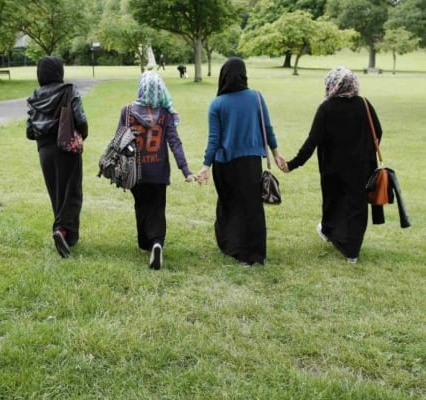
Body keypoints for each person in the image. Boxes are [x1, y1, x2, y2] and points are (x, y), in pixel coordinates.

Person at [280, 66, 382, 263]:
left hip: (333, 168)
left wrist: (292, 165)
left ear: (332, 85)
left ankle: (331, 233)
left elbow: (312, 141)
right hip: (362, 167)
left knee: (334, 202)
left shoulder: (326, 108)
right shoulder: (364, 104)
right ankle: (351, 249)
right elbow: (378, 132)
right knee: (357, 207)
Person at [194, 57, 286, 267]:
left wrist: (205, 166)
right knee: (252, 207)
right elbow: (268, 129)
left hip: (225, 164)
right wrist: (276, 153)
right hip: (251, 162)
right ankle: (255, 254)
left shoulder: (217, 104)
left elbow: (214, 140)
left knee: (230, 205)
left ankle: (234, 246)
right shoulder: (256, 97)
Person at [117, 71, 194, 269]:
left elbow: (119, 139)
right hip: (159, 171)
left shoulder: (127, 111)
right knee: (157, 207)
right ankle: (157, 241)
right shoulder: (165, 113)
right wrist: (185, 169)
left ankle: (145, 242)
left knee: (141, 205)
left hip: (136, 171)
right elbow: (174, 142)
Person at [26, 56, 88, 258]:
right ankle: (62, 231)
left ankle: (64, 233)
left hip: (44, 150)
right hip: (67, 147)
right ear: (59, 72)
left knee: (56, 193)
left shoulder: (35, 96)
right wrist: (82, 135)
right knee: (72, 193)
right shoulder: (69, 90)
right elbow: (81, 119)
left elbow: (29, 131)